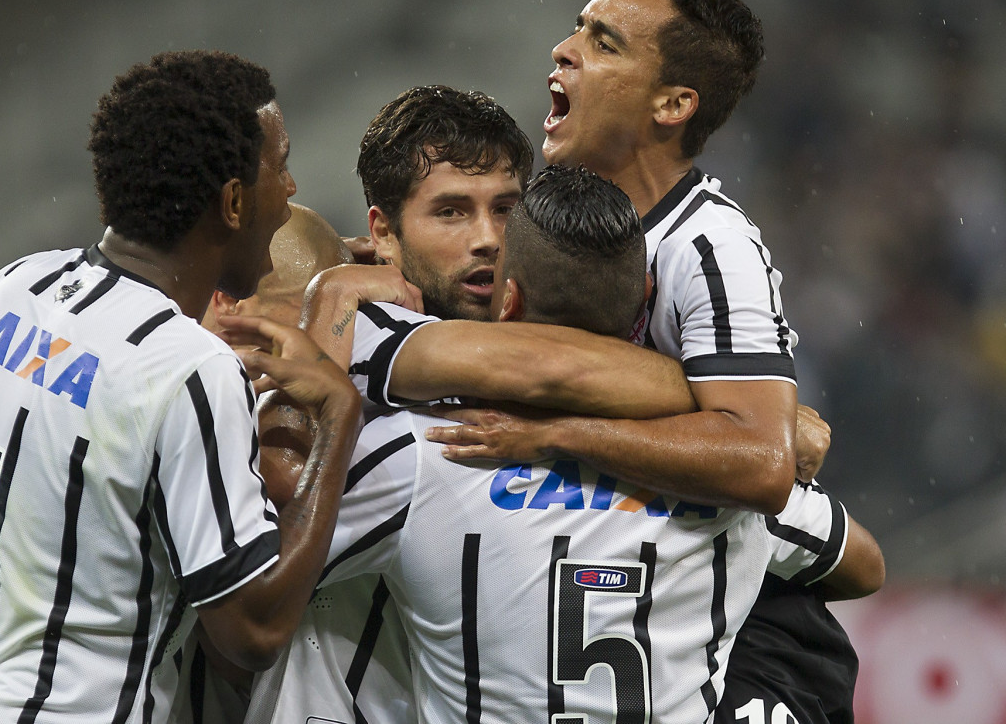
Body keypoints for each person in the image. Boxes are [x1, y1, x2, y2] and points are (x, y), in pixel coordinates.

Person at [0, 50, 365, 723]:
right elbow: (251, 631)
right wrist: (340, 419)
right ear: (232, 199)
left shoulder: (13, 288)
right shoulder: (186, 367)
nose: (291, 188)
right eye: (280, 166)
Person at [290, 166, 882, 723]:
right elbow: (863, 565)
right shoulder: (727, 471)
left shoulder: (429, 448)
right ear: (644, 295)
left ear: (509, 299)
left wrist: (331, 293)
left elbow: (272, 554)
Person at [444, 0, 863, 724]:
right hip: (633, 586)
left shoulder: (710, 245)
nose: (564, 50)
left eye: (604, 43)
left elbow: (763, 464)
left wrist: (563, 432)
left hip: (751, 635)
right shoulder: (561, 221)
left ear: (672, 105)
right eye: (578, 29)